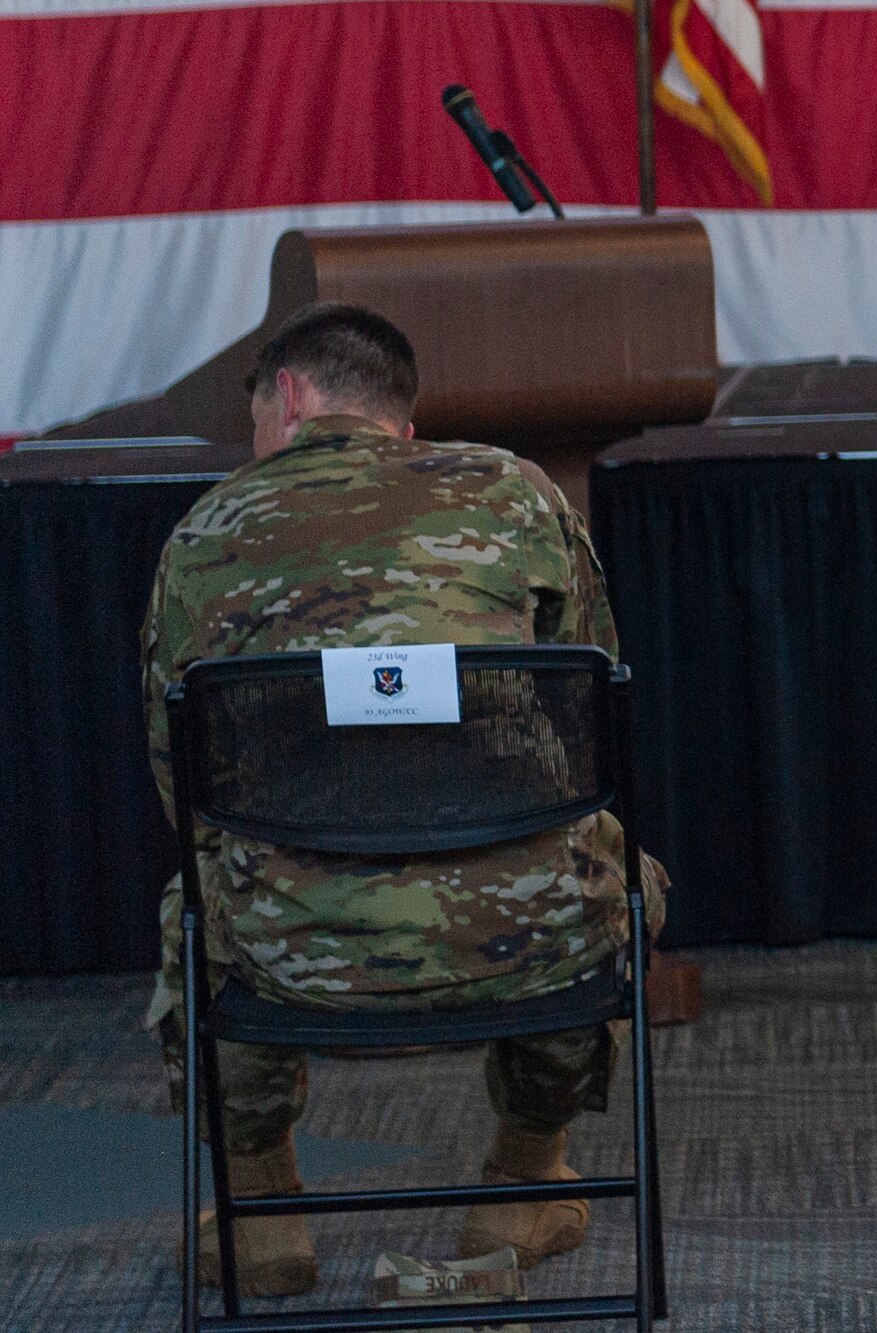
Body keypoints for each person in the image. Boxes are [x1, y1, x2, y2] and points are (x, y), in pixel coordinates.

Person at [141, 302, 668, 1297]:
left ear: (289, 399)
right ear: (403, 424)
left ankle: (262, 1216)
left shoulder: (208, 527)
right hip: (527, 936)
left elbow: (181, 774)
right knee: (613, 864)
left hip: (296, 947)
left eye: (257, 420)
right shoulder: (515, 494)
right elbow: (590, 700)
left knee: (197, 898)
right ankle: (520, 1180)